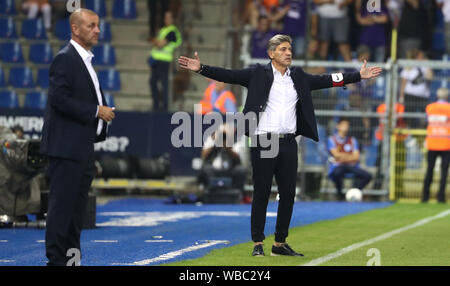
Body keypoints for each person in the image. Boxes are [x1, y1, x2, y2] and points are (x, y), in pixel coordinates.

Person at [178, 34, 381, 257]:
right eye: (283, 49)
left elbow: (328, 79)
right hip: (263, 140)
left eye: (289, 49)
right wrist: (201, 68)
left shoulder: (299, 77)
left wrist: (358, 77)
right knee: (262, 192)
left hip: (287, 142)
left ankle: (280, 243)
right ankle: (257, 243)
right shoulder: (257, 73)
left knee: (288, 194)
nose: (288, 53)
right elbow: (228, 75)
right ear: (271, 53)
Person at [40, 8, 115, 266]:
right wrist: (97, 110)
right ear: (75, 29)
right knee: (62, 208)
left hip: (81, 148)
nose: (97, 30)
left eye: (97, 25)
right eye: (91, 25)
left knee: (75, 212)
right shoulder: (66, 59)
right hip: (65, 149)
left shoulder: (85, 60)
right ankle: (56, 262)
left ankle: (71, 261)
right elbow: (58, 99)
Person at [199, 123, 249, 203]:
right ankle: (210, 193)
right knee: (206, 169)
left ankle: (238, 195)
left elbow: (237, 157)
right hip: (214, 169)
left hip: (230, 169)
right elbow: (204, 155)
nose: (224, 136)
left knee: (241, 170)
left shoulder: (236, 140)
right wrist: (215, 142)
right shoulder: (211, 139)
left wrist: (228, 146)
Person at [328, 118, 373, 200]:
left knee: (368, 176)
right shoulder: (332, 139)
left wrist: (341, 157)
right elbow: (336, 155)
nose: (346, 127)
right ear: (338, 126)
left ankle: (354, 191)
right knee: (337, 174)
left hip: (351, 166)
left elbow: (356, 157)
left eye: (347, 125)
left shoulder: (352, 140)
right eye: (344, 125)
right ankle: (340, 194)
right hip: (338, 166)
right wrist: (349, 156)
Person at [149, 10, 182, 111]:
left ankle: (164, 108)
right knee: (153, 82)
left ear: (172, 19)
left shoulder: (172, 31)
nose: (166, 19)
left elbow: (159, 43)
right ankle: (156, 106)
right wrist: (156, 41)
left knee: (164, 84)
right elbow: (152, 40)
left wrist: (156, 41)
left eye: (169, 17)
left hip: (164, 61)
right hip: (156, 61)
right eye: (165, 17)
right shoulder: (164, 30)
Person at [422, 87, 450, 203]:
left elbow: (425, 122)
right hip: (446, 144)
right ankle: (441, 197)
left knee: (429, 170)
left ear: (437, 96)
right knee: (444, 172)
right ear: (447, 97)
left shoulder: (430, 107)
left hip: (432, 142)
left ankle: (425, 196)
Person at [399, 49, 433, 127]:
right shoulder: (408, 67)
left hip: (423, 96)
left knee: (424, 116)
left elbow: (430, 77)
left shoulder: (425, 66)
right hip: (410, 95)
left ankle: (422, 133)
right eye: (421, 56)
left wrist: (428, 65)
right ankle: (410, 134)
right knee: (409, 116)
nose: (423, 57)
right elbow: (403, 83)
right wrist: (401, 96)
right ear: (417, 57)